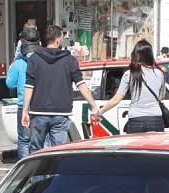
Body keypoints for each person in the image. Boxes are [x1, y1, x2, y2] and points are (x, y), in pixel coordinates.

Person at [21, 25, 101, 153]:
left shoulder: (34, 59)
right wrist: (93, 105)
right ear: (58, 40)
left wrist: (25, 111)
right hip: (61, 112)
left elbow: (29, 86)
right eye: (62, 38)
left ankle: (39, 173)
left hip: (38, 111)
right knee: (59, 152)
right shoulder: (69, 60)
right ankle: (56, 173)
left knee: (36, 151)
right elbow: (80, 83)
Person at [97, 40, 166, 134]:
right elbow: (161, 97)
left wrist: (100, 112)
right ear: (150, 55)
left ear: (135, 55)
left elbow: (117, 99)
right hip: (156, 119)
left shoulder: (130, 74)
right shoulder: (159, 73)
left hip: (136, 120)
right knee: (154, 148)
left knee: (135, 148)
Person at [6, 28, 40, 159]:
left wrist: (14, 62)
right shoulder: (43, 60)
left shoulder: (18, 64)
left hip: (23, 105)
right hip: (40, 105)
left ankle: (26, 172)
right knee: (40, 140)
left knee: (24, 140)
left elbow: (10, 83)